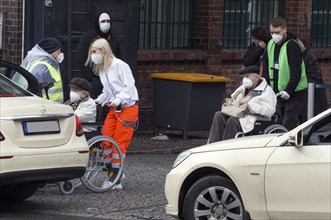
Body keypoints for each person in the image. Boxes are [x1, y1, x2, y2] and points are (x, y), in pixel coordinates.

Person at [85, 38, 138, 189]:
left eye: (95, 52)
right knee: (106, 141)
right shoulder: (103, 69)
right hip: (115, 109)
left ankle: (115, 177)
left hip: (127, 108)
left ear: (104, 51)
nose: (93, 55)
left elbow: (129, 87)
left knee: (119, 145)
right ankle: (114, 172)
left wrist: (119, 99)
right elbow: (107, 91)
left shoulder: (120, 66)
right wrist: (97, 101)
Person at [208, 65, 276, 143]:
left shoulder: (267, 91)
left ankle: (226, 146)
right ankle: (213, 144)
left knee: (232, 121)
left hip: (254, 119)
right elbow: (234, 98)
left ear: (256, 78)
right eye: (244, 77)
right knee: (219, 115)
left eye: (247, 76)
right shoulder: (243, 87)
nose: (245, 79)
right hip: (240, 114)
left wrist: (249, 105)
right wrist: (229, 105)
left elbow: (269, 111)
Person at [262, 17, 308, 131]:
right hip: (278, 93)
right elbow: (267, 69)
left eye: (277, 32)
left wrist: (288, 90)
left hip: (295, 92)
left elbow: (296, 72)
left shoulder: (292, 45)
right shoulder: (270, 44)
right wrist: (267, 87)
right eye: (272, 32)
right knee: (281, 122)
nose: (274, 35)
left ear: (285, 30)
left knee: (288, 123)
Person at [76, 12, 122, 99]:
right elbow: (81, 58)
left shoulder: (114, 38)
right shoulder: (87, 37)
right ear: (98, 23)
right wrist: (91, 79)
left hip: (111, 79)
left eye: (108, 21)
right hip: (94, 79)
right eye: (103, 21)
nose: (106, 24)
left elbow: (119, 56)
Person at [14, 37, 64, 103]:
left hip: (51, 106)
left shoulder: (46, 64)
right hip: (46, 107)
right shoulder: (42, 67)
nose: (60, 53)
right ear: (51, 51)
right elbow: (35, 90)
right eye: (58, 51)